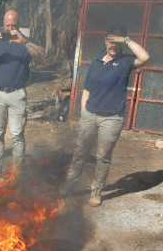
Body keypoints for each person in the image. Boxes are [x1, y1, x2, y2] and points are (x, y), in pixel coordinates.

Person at [60, 24, 150, 207]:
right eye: (110, 40)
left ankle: (96, 190)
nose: (113, 45)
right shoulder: (96, 61)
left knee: (103, 156)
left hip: (112, 118)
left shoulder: (126, 61)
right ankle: (70, 185)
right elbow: (86, 90)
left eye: (117, 41)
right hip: (90, 115)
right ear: (105, 40)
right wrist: (84, 112)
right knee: (79, 152)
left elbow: (145, 57)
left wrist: (126, 39)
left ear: (122, 43)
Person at [0, 9, 45, 180]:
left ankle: (18, 170)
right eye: (7, 25)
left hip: (17, 95)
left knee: (17, 134)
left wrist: (24, 43)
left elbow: (41, 57)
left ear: (19, 24)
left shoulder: (26, 41)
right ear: (3, 24)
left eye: (13, 25)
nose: (10, 29)